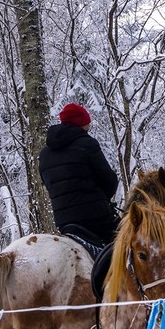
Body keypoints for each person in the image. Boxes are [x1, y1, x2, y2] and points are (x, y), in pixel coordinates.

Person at [38, 103, 120, 246]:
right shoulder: (87, 144)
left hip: (64, 221)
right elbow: (110, 181)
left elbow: (48, 184)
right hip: (96, 217)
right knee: (128, 245)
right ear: (82, 123)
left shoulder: (45, 153)